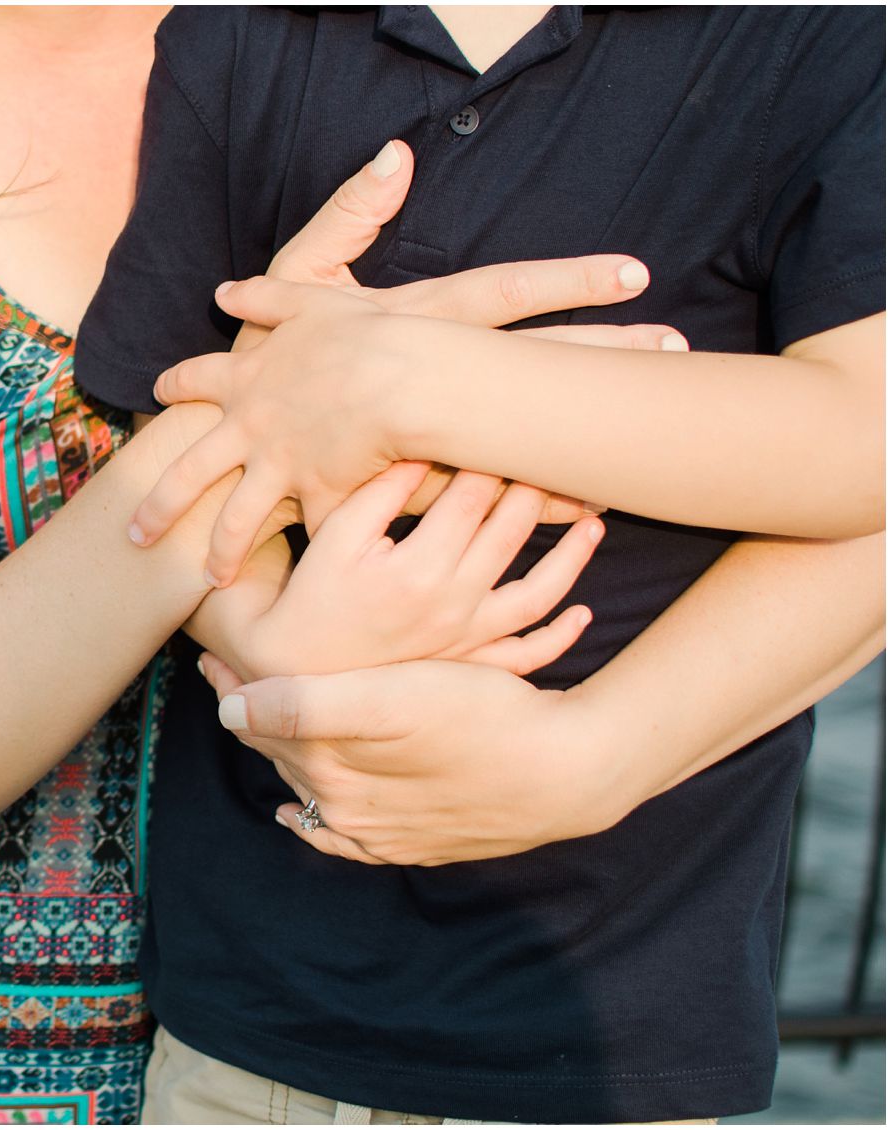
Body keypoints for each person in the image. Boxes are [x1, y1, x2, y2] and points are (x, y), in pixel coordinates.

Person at [74, 5, 885, 1123]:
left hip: (605, 1027)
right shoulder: (239, 32)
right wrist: (272, 642)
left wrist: (396, 380)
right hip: (247, 1018)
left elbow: (865, 435)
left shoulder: (818, 39)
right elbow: (171, 417)